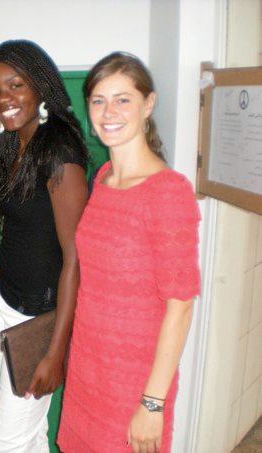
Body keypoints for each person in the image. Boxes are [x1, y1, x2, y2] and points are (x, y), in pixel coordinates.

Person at [57, 52, 201, 453]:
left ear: (148, 104)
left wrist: (152, 403)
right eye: (99, 100)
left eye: (123, 99)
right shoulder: (102, 177)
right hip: (88, 368)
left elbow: (180, 307)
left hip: (134, 383)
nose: (109, 112)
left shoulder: (168, 191)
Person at [0, 40, 90, 452]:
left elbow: (76, 259)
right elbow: (19, 223)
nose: (2, 99)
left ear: (41, 87)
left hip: (41, 319)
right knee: (29, 435)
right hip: (9, 303)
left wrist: (56, 350)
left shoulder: (59, 150)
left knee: (7, 443)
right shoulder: (16, 141)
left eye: (15, 85)